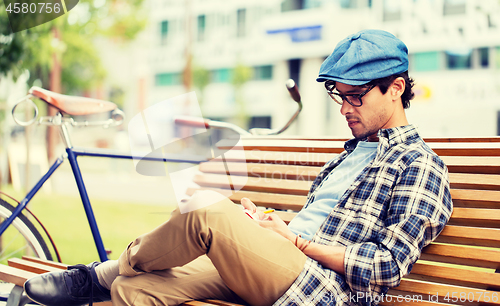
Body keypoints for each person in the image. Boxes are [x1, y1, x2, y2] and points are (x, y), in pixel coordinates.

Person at [24, 29, 453, 306]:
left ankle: (95, 273)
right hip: (279, 260)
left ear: (396, 88)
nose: (345, 108)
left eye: (355, 96)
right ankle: (111, 277)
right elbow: (318, 225)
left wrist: (296, 242)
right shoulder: (352, 152)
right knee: (134, 289)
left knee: (207, 207)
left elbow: (386, 266)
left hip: (320, 287)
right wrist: (269, 224)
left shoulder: (419, 166)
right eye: (338, 97)